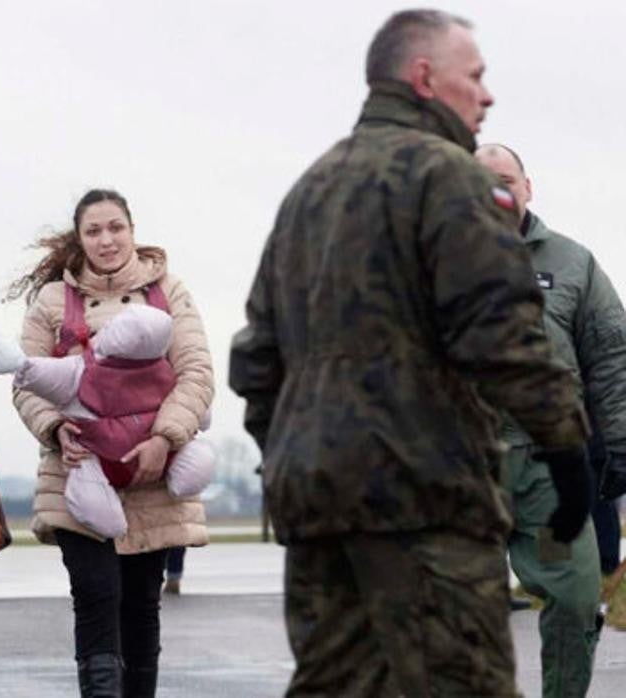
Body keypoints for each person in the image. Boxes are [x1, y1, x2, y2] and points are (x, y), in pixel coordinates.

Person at [228, 10, 592, 697]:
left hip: (319, 507)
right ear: (424, 77)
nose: (487, 96)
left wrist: (291, 455)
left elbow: (256, 359)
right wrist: (568, 448)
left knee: (336, 686)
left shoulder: (310, 191)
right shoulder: (446, 176)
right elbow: (501, 332)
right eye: (476, 76)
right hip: (423, 500)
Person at [11, 188, 213, 697]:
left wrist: (166, 439)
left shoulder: (170, 290)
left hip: (153, 478)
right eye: (94, 231)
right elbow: (25, 380)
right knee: (97, 594)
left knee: (142, 603)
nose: (107, 240)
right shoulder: (53, 301)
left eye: (116, 227)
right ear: (78, 240)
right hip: (78, 476)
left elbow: (197, 373)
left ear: (133, 229)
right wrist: (55, 429)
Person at [475, 142, 626, 695]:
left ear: (527, 187)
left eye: (506, 179)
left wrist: (620, 444)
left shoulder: (573, 264)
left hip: (545, 478)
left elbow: (611, 357)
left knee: (573, 594)